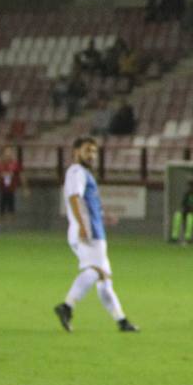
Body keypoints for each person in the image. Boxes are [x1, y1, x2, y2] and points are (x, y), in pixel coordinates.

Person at [53, 137, 139, 333]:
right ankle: (67, 306)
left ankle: (122, 321)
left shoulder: (82, 173)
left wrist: (102, 216)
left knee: (105, 281)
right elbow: (74, 197)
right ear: (76, 152)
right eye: (87, 150)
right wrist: (83, 225)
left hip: (93, 231)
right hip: (89, 233)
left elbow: (85, 202)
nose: (91, 155)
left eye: (94, 151)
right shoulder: (76, 171)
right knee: (96, 272)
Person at [0, 145, 26, 231]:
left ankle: (11, 227)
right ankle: (0, 227)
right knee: (1, 209)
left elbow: (21, 175)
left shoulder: (15, 164)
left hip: (12, 189)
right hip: (2, 189)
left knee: (12, 209)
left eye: (10, 153)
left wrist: (25, 188)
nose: (8, 155)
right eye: (7, 153)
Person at [170, 178, 193, 244]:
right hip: (186, 212)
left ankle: (188, 237)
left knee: (190, 218)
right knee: (177, 215)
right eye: (189, 185)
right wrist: (185, 209)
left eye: (191, 185)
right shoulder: (187, 194)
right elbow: (183, 204)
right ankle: (174, 236)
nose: (190, 187)